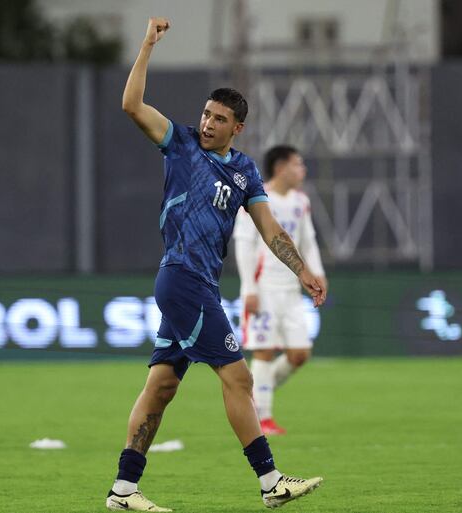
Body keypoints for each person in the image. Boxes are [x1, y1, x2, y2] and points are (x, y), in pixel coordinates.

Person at [105, 17, 327, 512]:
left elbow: (270, 229)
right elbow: (130, 105)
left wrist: (303, 270)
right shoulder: (179, 143)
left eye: (218, 119)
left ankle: (123, 490)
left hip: (195, 283)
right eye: (205, 114)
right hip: (182, 280)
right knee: (240, 379)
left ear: (237, 127)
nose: (207, 123)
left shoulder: (246, 170)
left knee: (161, 386)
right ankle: (271, 482)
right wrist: (146, 45)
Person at [233, 145, 327, 436]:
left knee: (300, 353)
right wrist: (249, 288)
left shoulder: (300, 201)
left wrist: (318, 273)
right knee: (264, 352)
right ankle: (264, 417)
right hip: (264, 288)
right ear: (281, 167)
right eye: (297, 165)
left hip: (291, 291)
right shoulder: (257, 200)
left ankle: (254, 395)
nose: (303, 170)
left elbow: (308, 240)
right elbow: (244, 244)